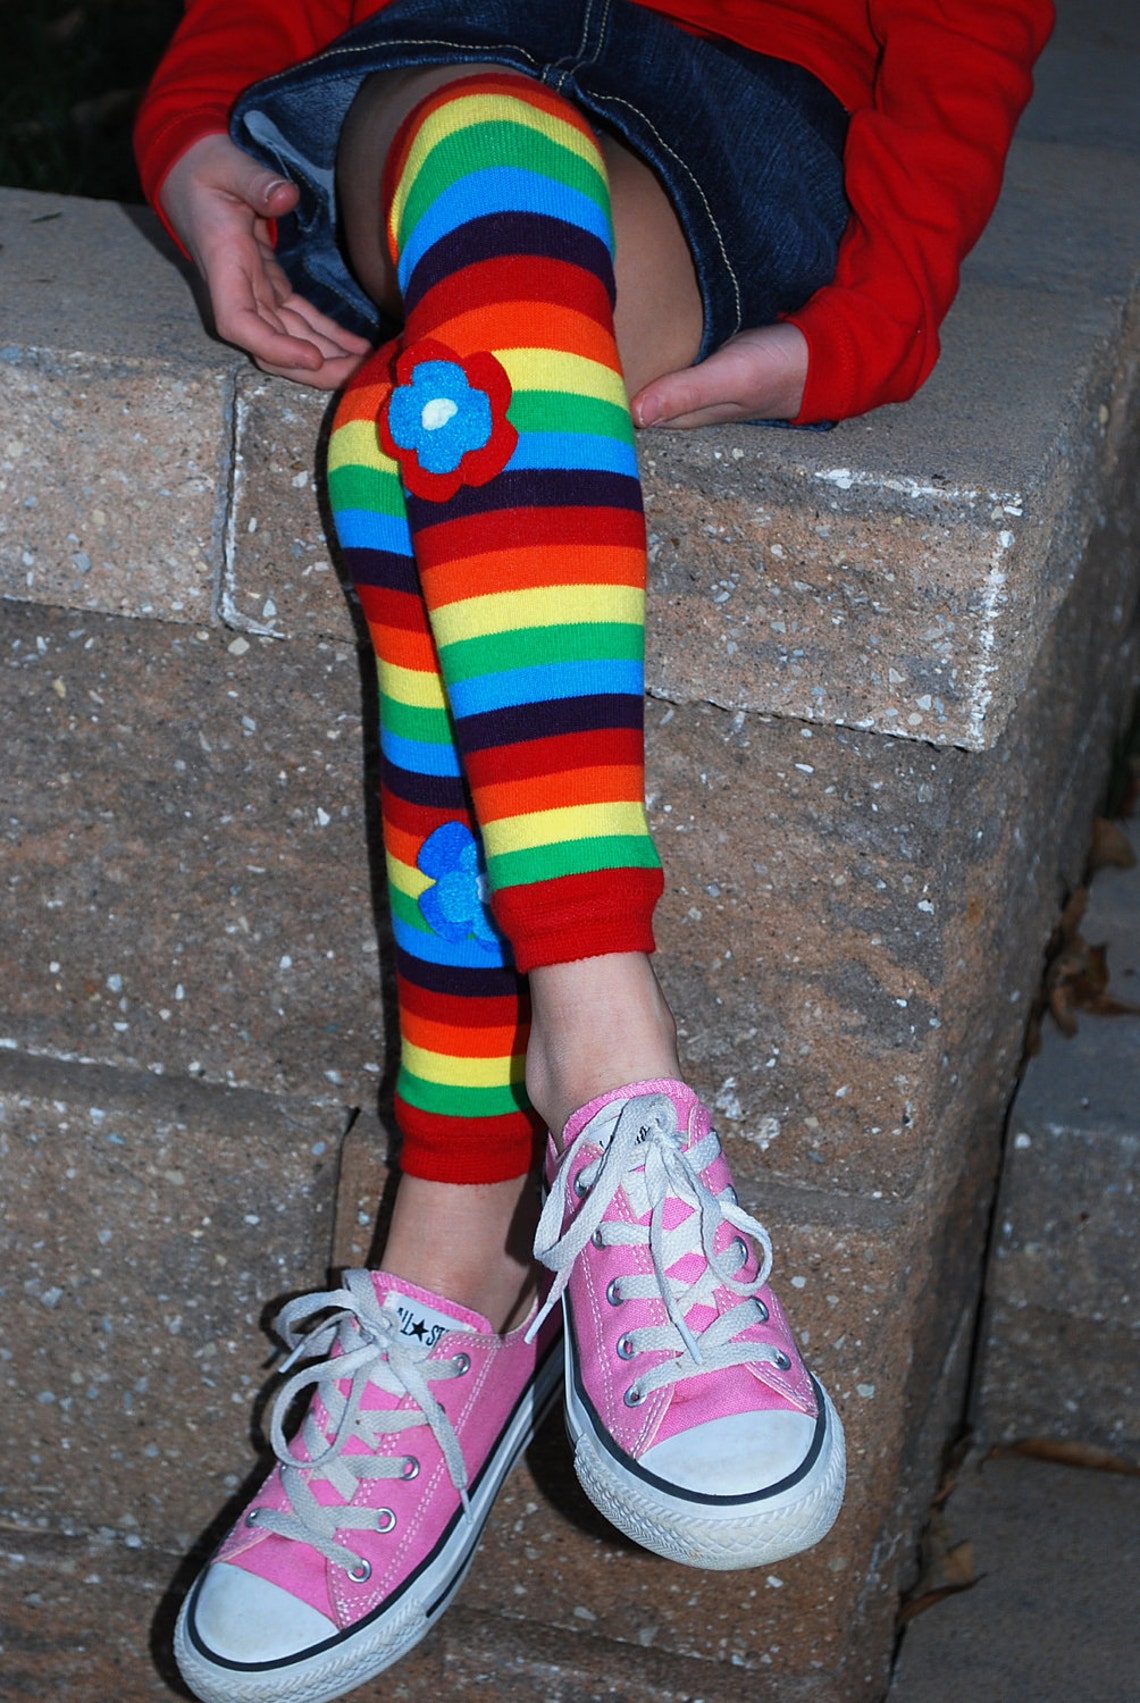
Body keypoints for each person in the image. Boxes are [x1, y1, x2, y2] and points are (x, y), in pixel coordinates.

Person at [134, 4, 1054, 1699]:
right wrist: (196, 132)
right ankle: (614, 1084)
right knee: (486, 157)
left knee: (421, 432)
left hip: (727, 121)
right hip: (430, 70)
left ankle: (455, 1265)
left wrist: (878, 315)